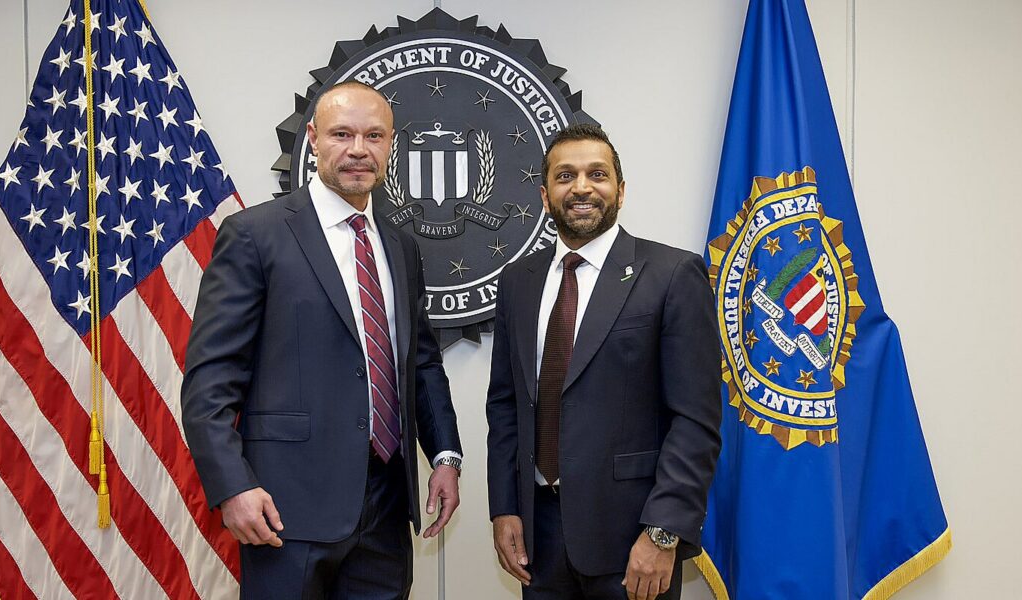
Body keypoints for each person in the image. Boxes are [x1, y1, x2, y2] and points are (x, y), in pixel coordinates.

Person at [182, 81, 463, 599]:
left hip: (386, 509)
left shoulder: (400, 246)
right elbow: (210, 381)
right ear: (313, 138)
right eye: (342, 134)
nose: (359, 150)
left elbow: (421, 362)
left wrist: (445, 455)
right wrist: (233, 486)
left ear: (391, 144)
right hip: (283, 509)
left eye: (374, 136)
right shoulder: (254, 235)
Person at [485, 124, 721, 600]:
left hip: (634, 537)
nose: (582, 187)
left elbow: (695, 421)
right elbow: (506, 405)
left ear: (621, 190)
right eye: (565, 176)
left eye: (597, 174)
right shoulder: (518, 280)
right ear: (545, 195)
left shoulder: (673, 274)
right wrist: (505, 507)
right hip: (539, 537)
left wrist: (662, 532)